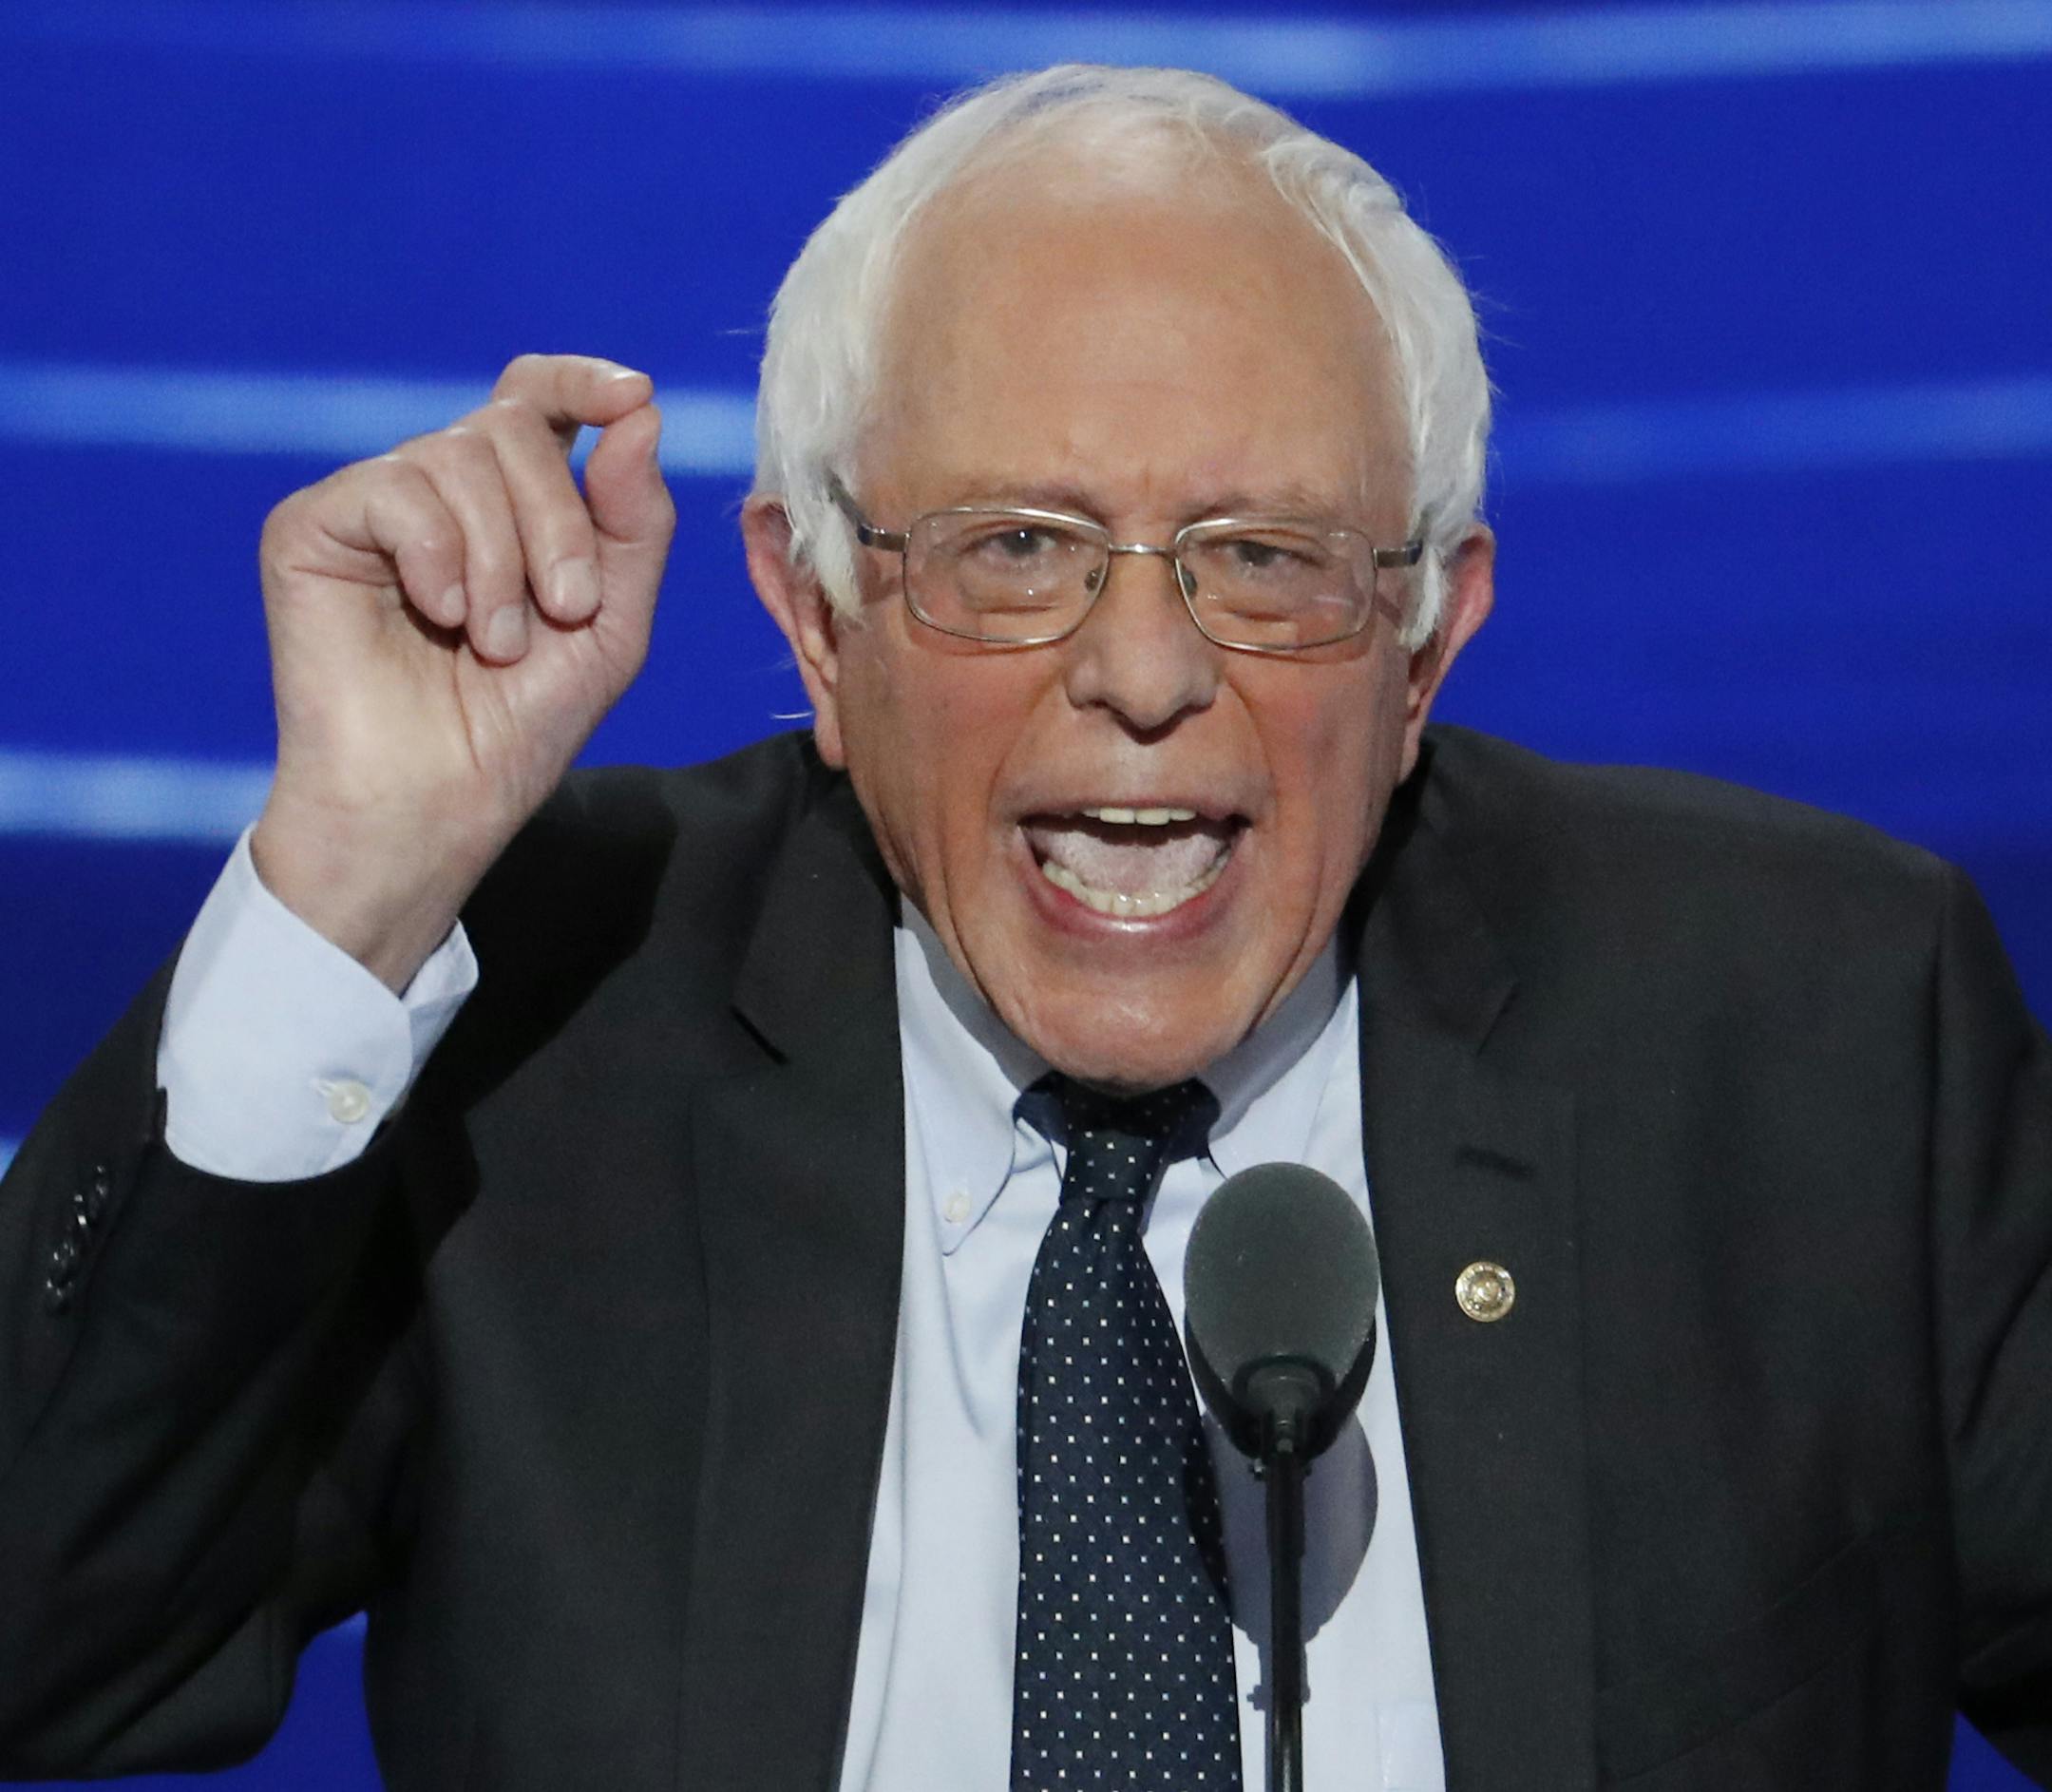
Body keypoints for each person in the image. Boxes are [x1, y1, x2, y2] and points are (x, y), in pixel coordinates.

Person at [1, 62, 2048, 1792]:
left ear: (1427, 644)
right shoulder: (549, 1021)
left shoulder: (1819, 1032)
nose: (1144, 667)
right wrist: (347, 890)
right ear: (815, 617)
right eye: (1015, 550)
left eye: (1267, 559)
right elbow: (50, 1638)